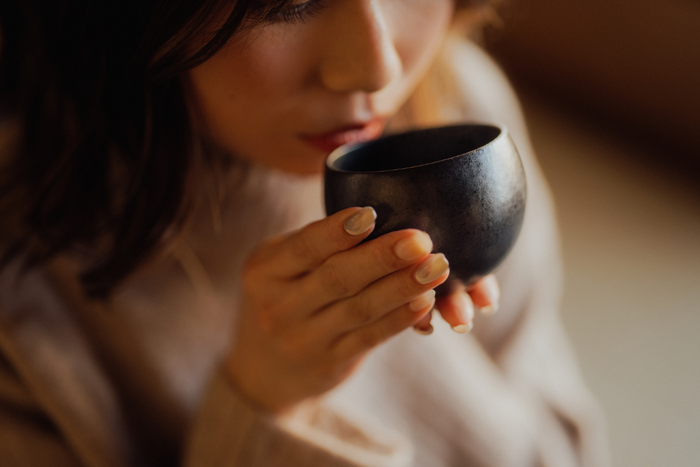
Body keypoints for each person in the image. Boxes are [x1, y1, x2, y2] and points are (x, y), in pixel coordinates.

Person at [0, 0, 610, 465]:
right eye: (291, 2)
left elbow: (564, 444)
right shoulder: (25, 300)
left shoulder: (456, 106)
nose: (377, 66)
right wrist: (264, 405)